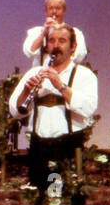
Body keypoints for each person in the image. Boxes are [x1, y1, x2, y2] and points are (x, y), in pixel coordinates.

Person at [9, 24, 98, 194]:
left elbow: (88, 109)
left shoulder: (85, 75)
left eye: (62, 41)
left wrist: (61, 86)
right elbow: (15, 110)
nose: (56, 45)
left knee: (64, 199)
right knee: (40, 200)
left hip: (68, 145)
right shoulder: (34, 73)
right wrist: (26, 92)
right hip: (38, 146)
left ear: (73, 47)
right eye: (52, 41)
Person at [23, 0, 88, 66]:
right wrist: (43, 33)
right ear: (46, 11)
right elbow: (29, 52)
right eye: (50, 8)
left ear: (64, 11)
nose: (54, 11)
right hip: (41, 75)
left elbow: (80, 56)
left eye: (58, 8)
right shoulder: (36, 32)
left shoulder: (76, 33)